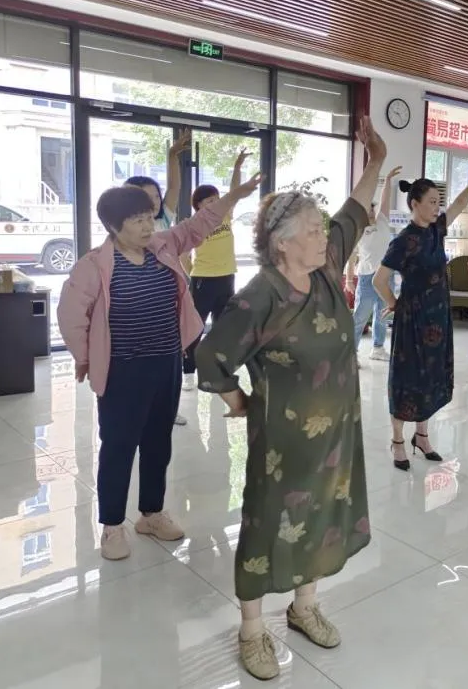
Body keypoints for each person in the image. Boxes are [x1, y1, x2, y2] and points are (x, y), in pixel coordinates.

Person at [194, 117, 387, 680]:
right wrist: (237, 401)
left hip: (335, 433)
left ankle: (304, 607)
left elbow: (354, 210)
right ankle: (252, 630)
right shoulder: (260, 296)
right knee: (266, 523)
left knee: (322, 512)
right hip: (282, 442)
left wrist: (375, 160)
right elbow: (211, 356)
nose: (324, 236)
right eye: (313, 230)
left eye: (322, 229)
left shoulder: (325, 269)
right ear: (282, 242)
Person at [57, 172, 261, 562]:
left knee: (157, 442)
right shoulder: (93, 266)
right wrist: (85, 358)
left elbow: (201, 224)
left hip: (166, 363)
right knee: (118, 446)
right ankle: (112, 526)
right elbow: (71, 317)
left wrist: (235, 194)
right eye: (137, 221)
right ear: (114, 227)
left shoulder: (162, 246)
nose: (148, 226)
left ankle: (151, 514)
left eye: (149, 218)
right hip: (122, 370)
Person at [373, 165, 468, 470]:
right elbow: (379, 280)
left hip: (438, 318)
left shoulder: (436, 229)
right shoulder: (404, 240)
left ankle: (422, 436)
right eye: (431, 202)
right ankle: (397, 440)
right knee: (406, 379)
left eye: (437, 202)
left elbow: (458, 204)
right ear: (414, 203)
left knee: (430, 377)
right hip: (412, 323)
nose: (436, 207)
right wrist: (396, 304)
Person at [126, 127, 190, 425]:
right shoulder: (123, 229)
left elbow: (175, 187)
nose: (153, 201)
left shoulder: (163, 219)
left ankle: (167, 408)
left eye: (155, 195)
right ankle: (139, 408)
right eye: (145, 196)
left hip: (166, 300)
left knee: (170, 359)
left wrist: (172, 156)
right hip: (139, 303)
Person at [180, 147, 251, 390]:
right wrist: (192, 274)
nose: (215, 202)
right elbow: (183, 254)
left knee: (222, 328)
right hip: (203, 280)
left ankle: (219, 370)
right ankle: (189, 372)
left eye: (216, 198)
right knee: (195, 327)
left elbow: (234, 192)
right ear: (199, 205)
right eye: (210, 200)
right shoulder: (193, 224)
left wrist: (238, 167)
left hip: (227, 278)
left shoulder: (226, 216)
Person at [346, 165, 401, 361]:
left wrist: (388, 180)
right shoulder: (358, 231)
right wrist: (349, 280)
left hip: (386, 276)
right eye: (367, 209)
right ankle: (351, 354)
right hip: (367, 277)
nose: (370, 212)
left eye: (372, 208)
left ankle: (378, 348)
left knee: (382, 314)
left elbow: (385, 200)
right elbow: (352, 258)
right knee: (360, 316)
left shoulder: (382, 221)